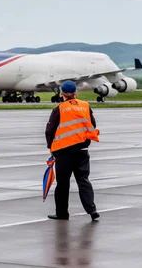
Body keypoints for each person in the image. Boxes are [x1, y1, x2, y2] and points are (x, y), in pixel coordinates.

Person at [45, 80, 100, 221]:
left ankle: (62, 213)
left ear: (62, 93)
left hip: (64, 151)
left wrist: (51, 147)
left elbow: (50, 130)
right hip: (82, 150)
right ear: (76, 92)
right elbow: (92, 124)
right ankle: (92, 210)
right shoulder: (85, 106)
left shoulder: (59, 108)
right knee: (83, 180)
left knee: (63, 183)